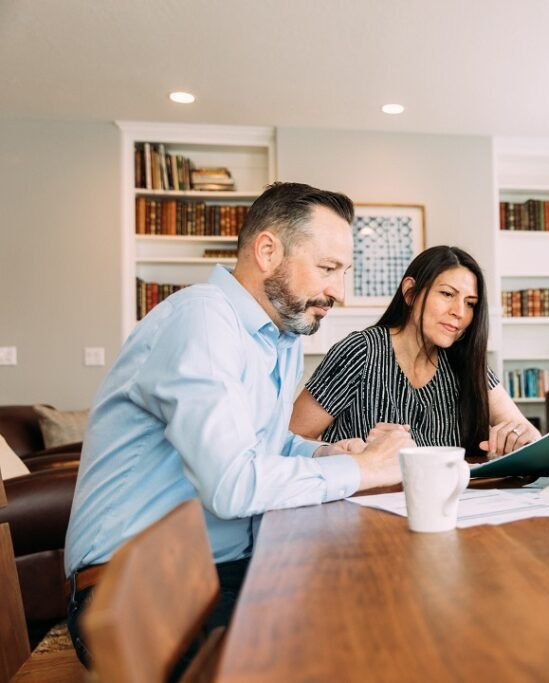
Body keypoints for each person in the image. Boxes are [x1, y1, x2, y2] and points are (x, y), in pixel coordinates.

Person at [64, 182, 414, 668]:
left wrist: (324, 453)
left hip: (221, 570)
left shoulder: (279, 338)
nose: (340, 291)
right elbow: (232, 484)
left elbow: (259, 443)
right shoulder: (202, 319)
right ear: (267, 250)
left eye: (344, 272)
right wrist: (369, 470)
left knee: (378, 609)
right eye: (329, 269)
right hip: (137, 595)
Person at [291, 245, 541, 458]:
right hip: (362, 504)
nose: (460, 312)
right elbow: (293, 438)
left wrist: (523, 436)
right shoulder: (360, 351)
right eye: (447, 294)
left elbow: (525, 431)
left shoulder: (465, 361)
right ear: (410, 292)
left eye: (470, 303)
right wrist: (347, 452)